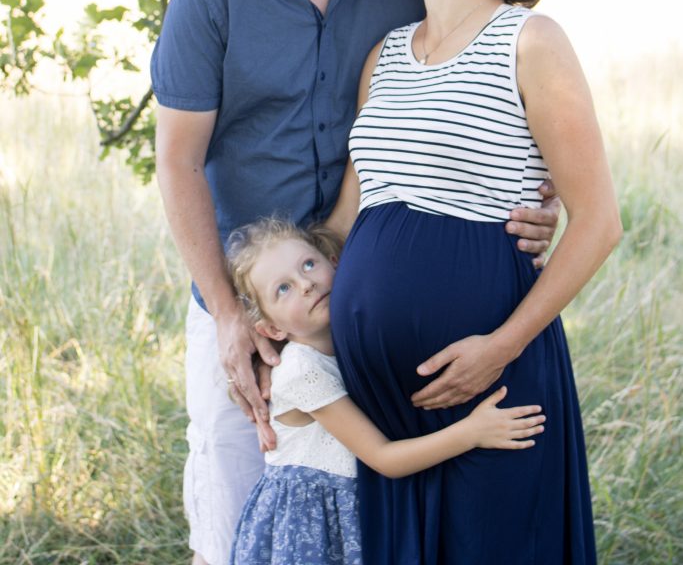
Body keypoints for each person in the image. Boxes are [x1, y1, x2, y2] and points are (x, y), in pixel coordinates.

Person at [151, 0, 559, 565]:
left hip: (363, 291)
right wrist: (234, 319)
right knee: (235, 493)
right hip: (250, 297)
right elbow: (177, 161)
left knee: (363, 504)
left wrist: (528, 194)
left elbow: (488, 71)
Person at [328, 0, 623, 565]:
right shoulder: (386, 55)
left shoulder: (528, 42)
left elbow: (599, 222)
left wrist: (502, 345)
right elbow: (348, 219)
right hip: (387, 405)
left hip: (495, 380)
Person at [226, 216, 546, 565]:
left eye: (308, 264)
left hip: (354, 511)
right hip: (312, 530)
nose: (305, 283)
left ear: (334, 262)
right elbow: (383, 458)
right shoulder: (301, 371)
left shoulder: (354, 343)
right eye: (282, 289)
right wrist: (471, 433)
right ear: (271, 329)